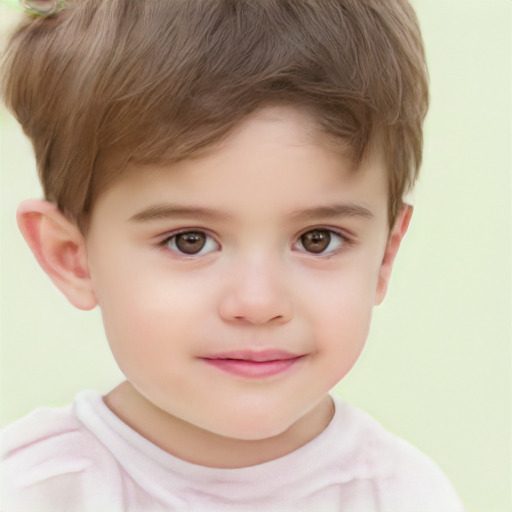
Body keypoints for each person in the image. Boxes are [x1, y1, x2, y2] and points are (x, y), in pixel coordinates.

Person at [1, 0, 465, 510]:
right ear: (72, 256)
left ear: (383, 256)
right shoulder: (33, 491)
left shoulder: (403, 496)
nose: (258, 302)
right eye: (189, 240)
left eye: (318, 239)